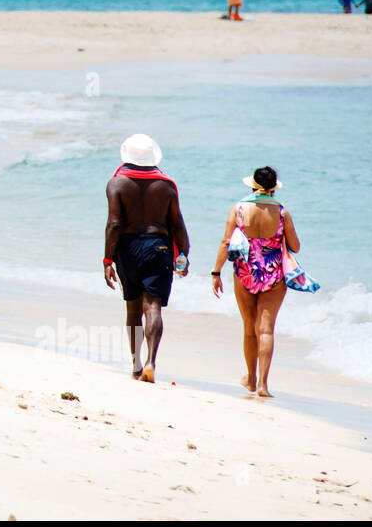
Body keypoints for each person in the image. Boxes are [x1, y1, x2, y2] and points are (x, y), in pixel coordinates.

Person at [104, 134, 190, 383]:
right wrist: (183, 254)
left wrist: (107, 260)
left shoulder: (116, 184)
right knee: (153, 306)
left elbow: (114, 224)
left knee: (133, 308)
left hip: (128, 248)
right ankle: (152, 361)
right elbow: (177, 223)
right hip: (158, 247)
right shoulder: (167, 186)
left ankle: (136, 365)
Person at [210, 166, 300, 398]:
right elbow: (296, 246)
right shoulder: (282, 212)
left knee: (249, 327)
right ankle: (263, 385)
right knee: (266, 330)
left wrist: (216, 272)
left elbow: (225, 243)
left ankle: (250, 379)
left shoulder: (239, 209)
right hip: (274, 273)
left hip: (245, 272)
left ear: (252, 185)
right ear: (273, 188)